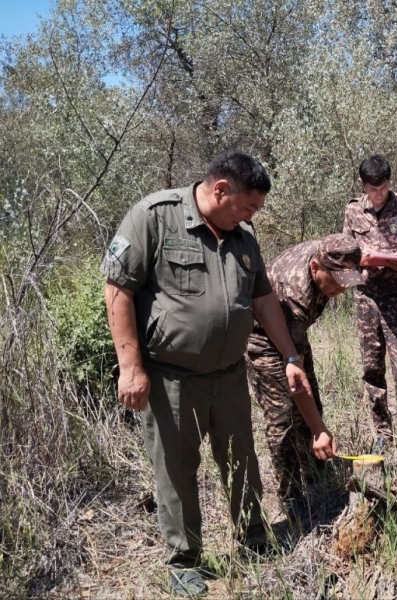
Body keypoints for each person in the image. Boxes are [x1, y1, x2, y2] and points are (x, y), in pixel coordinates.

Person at [101, 151, 312, 597]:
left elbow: (264, 301)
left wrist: (291, 357)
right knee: (177, 470)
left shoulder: (243, 237)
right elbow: (118, 289)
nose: (250, 216)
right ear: (220, 190)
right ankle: (184, 560)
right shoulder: (154, 218)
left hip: (230, 374)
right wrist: (130, 366)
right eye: (247, 207)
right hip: (171, 378)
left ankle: (253, 537)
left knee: (242, 459)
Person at [247, 233, 365, 520]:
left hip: (291, 335)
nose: (341, 289)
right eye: (336, 281)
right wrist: (319, 429)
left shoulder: (332, 252)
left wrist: (315, 423)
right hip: (261, 338)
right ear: (315, 268)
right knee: (284, 418)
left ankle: (315, 471)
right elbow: (296, 384)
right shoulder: (296, 293)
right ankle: (291, 497)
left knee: (313, 408)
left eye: (346, 281)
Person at [342, 155, 397, 449]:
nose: (378, 194)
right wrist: (360, 259)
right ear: (363, 184)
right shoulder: (353, 210)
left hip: (396, 298)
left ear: (390, 182)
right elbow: (344, 254)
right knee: (372, 369)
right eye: (372, 189)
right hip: (366, 299)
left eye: (382, 188)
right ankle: (383, 432)